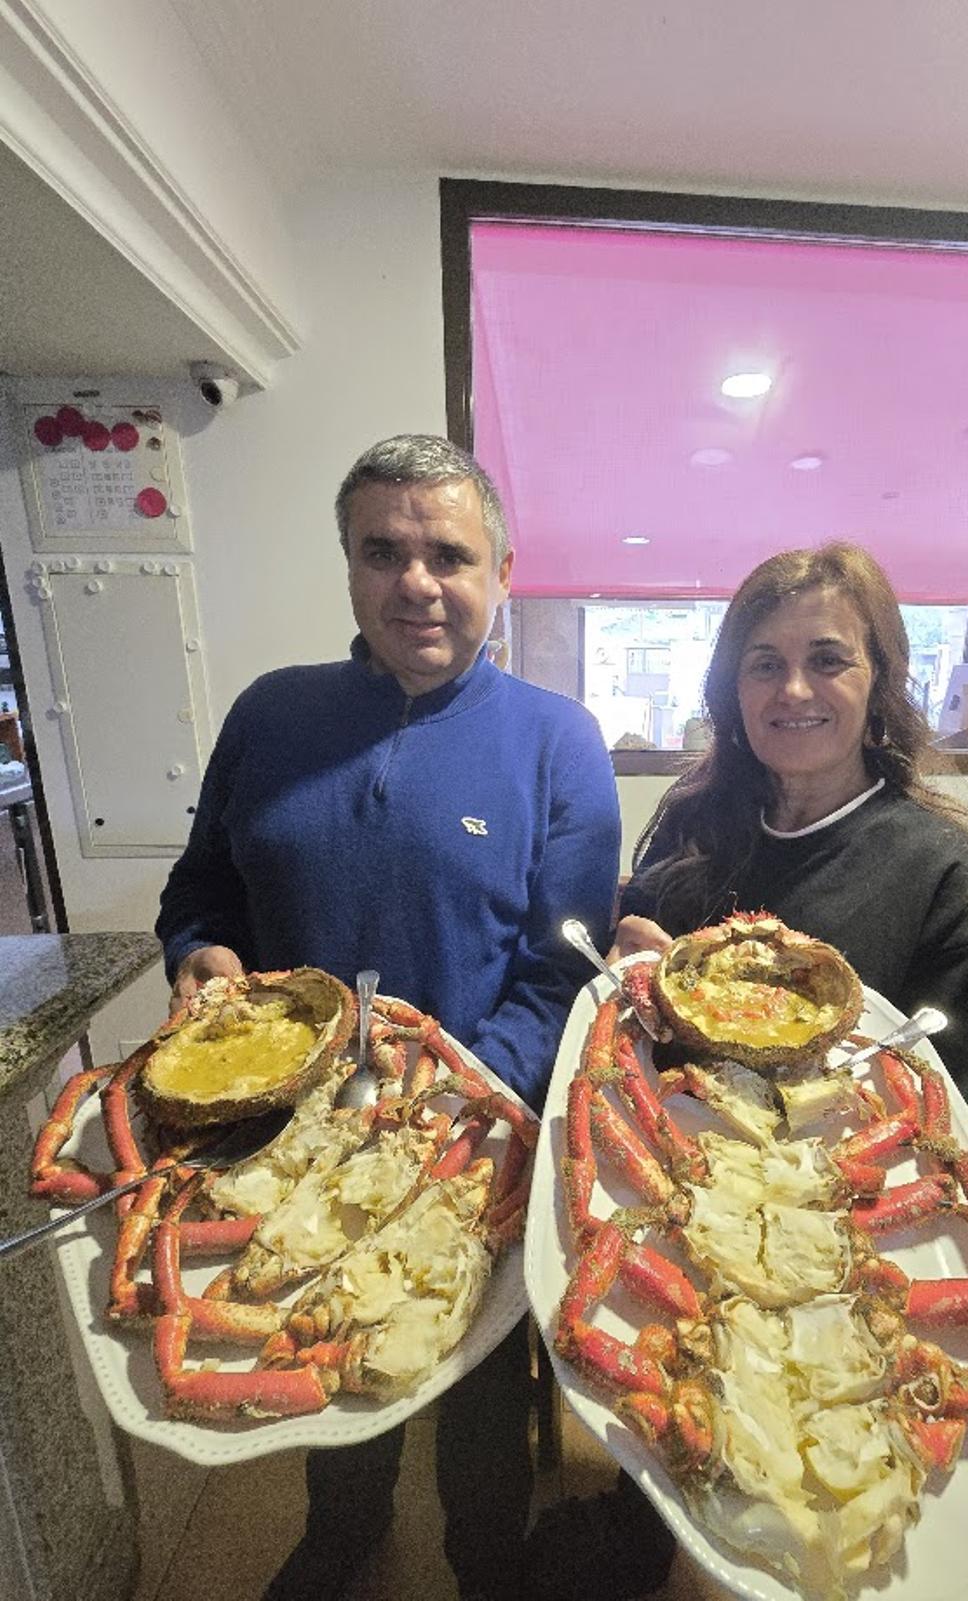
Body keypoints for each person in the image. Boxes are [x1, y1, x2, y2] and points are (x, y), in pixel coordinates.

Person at [156, 434, 621, 1601]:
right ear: (352, 567)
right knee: (316, 1325)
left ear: (501, 572)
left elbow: (565, 966)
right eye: (385, 551)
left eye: (449, 554)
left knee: (471, 1363)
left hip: (474, 1130)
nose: (417, 580)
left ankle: (484, 1549)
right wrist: (198, 952)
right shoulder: (270, 715)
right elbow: (200, 885)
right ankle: (344, 1526)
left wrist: (447, 1110)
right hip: (285, 1130)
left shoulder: (559, 741)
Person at [526, 541, 968, 1601]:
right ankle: (646, 1525)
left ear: (881, 682)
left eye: (828, 658)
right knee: (667, 1456)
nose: (793, 689)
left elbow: (952, 1120)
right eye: (764, 661)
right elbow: (639, 984)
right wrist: (637, 947)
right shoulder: (700, 820)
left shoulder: (944, 873)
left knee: (784, 1518)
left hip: (828, 1250)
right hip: (672, 1204)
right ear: (730, 684)